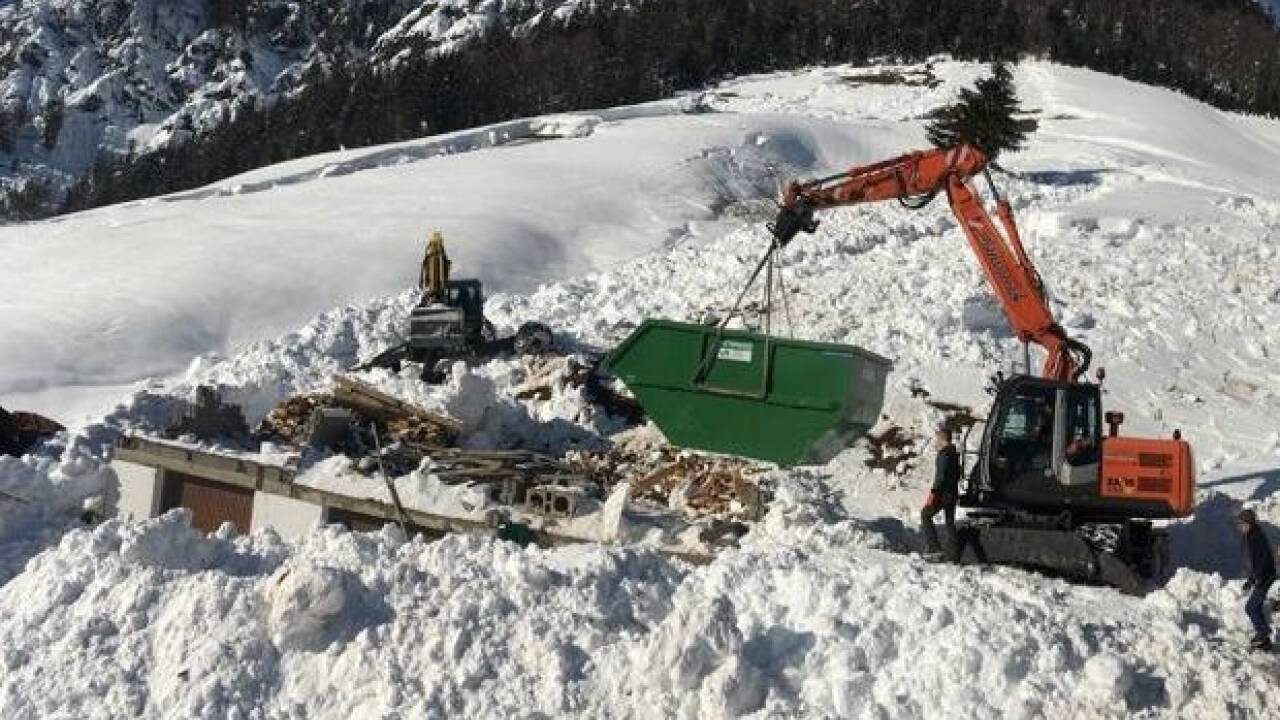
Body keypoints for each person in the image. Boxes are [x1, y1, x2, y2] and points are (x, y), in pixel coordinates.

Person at [1237, 509, 1276, 650]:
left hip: (1265, 576)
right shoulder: (1252, 535)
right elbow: (1258, 560)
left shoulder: (1256, 537)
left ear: (1249, 524)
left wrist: (1256, 578)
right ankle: (1265, 641)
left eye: (1242, 524)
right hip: (1264, 575)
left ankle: (1263, 632)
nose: (1240, 526)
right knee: (1255, 607)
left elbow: (1264, 559)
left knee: (1251, 607)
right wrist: (1252, 578)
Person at [921, 428, 962, 559]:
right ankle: (955, 554)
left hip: (943, 494)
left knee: (925, 515)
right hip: (953, 493)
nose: (935, 442)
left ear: (942, 439)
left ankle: (934, 548)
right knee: (950, 522)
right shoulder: (954, 453)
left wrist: (933, 494)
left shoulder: (943, 454)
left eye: (937, 439)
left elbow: (940, 477)